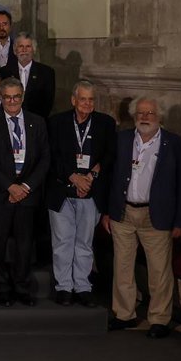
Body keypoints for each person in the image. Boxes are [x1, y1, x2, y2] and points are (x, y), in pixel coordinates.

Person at [103, 96, 181, 339]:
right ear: (134, 116)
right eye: (140, 113)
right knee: (122, 268)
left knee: (159, 272)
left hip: (157, 216)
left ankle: (159, 319)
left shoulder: (175, 144)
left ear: (159, 116)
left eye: (150, 113)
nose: (145, 117)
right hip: (123, 213)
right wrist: (108, 211)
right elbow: (110, 176)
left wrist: (180, 221)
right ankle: (124, 315)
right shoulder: (122, 139)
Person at [47, 80, 115, 308]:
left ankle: (83, 286)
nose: (87, 103)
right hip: (62, 191)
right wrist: (73, 177)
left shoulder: (106, 123)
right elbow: (52, 156)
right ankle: (64, 287)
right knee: (63, 241)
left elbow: (109, 155)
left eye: (91, 99)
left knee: (84, 242)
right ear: (73, 100)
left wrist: (91, 177)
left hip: (91, 192)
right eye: (83, 99)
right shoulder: (57, 122)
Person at [0, 78, 50, 306]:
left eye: (16, 96)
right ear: (0, 98)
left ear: (22, 97)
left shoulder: (37, 122)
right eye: (7, 97)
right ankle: (0, 287)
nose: (12, 101)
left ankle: (22, 287)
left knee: (24, 245)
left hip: (28, 194)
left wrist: (26, 187)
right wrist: (9, 186)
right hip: (0, 194)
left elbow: (45, 159)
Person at [9, 33, 56, 118]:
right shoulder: (5, 72)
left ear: (34, 50)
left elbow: (48, 103)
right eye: (21, 46)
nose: (24, 50)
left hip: (37, 120)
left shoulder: (46, 72)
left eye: (28, 46)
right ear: (15, 50)